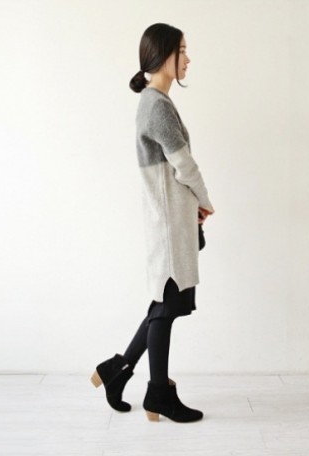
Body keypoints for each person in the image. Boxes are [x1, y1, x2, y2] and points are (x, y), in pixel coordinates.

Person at [90, 23, 214, 423]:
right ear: (163, 56)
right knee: (166, 306)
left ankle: (117, 370)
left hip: (170, 217)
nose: (188, 58)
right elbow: (184, 165)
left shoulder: (154, 101)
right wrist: (205, 201)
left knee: (163, 303)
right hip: (170, 222)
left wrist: (193, 206)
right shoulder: (157, 106)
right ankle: (158, 393)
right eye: (182, 50)